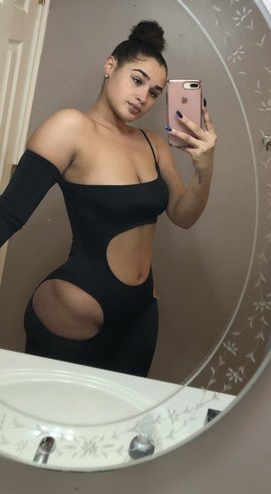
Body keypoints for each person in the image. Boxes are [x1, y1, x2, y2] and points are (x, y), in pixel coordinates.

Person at [0, 20, 216, 377]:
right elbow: (8, 213)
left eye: (155, 92)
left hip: (141, 311)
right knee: (53, 410)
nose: (143, 97)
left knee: (122, 410)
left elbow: (183, 215)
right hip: (76, 307)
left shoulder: (153, 144)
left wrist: (205, 168)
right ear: (110, 65)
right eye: (137, 80)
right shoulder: (70, 127)